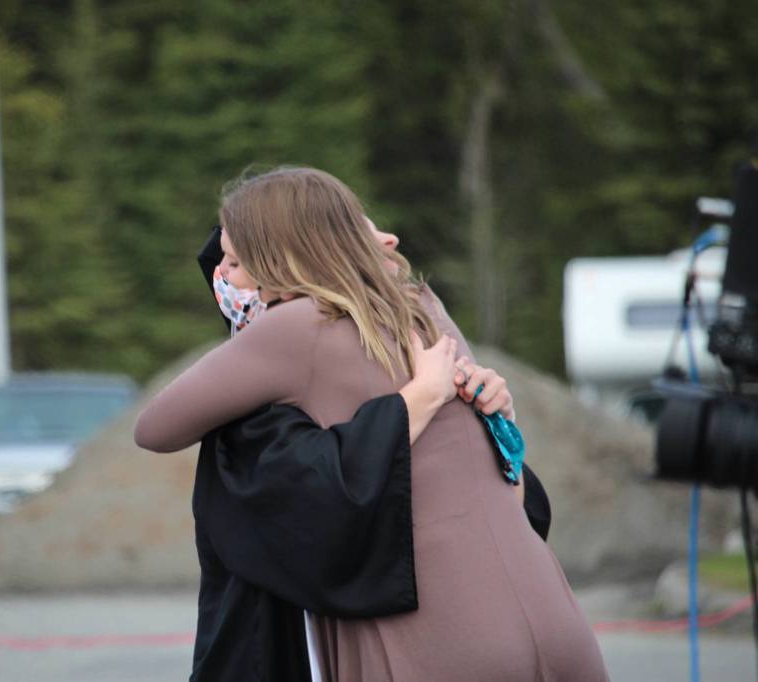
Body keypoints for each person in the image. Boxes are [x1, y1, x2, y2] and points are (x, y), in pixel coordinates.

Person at [136, 166, 606, 681]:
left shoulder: (295, 328)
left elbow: (155, 428)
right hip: (552, 616)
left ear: (278, 257)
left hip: (442, 640)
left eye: (236, 260)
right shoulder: (424, 307)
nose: (223, 278)